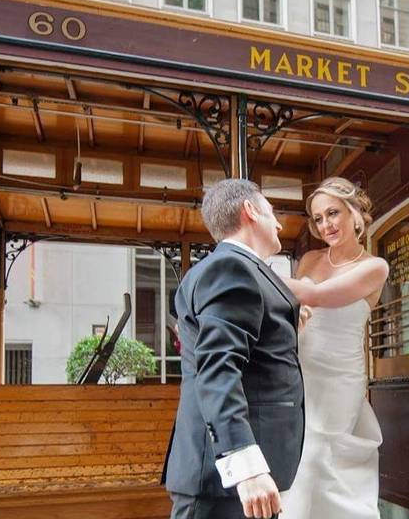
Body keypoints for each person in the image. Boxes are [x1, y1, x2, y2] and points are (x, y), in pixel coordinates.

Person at [162, 178, 304, 519]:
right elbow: (218, 368)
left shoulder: (236, 270)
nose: (279, 223)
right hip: (227, 481)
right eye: (272, 213)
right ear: (251, 211)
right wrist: (246, 465)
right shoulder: (231, 268)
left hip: (239, 480)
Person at [279, 177, 389, 519]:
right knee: (298, 458)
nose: (325, 224)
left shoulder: (374, 267)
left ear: (355, 214)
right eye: (318, 218)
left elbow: (314, 295)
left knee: (317, 458)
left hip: (340, 377)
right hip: (301, 371)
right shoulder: (310, 259)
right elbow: (296, 305)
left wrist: (248, 265)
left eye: (333, 213)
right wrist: (295, 313)